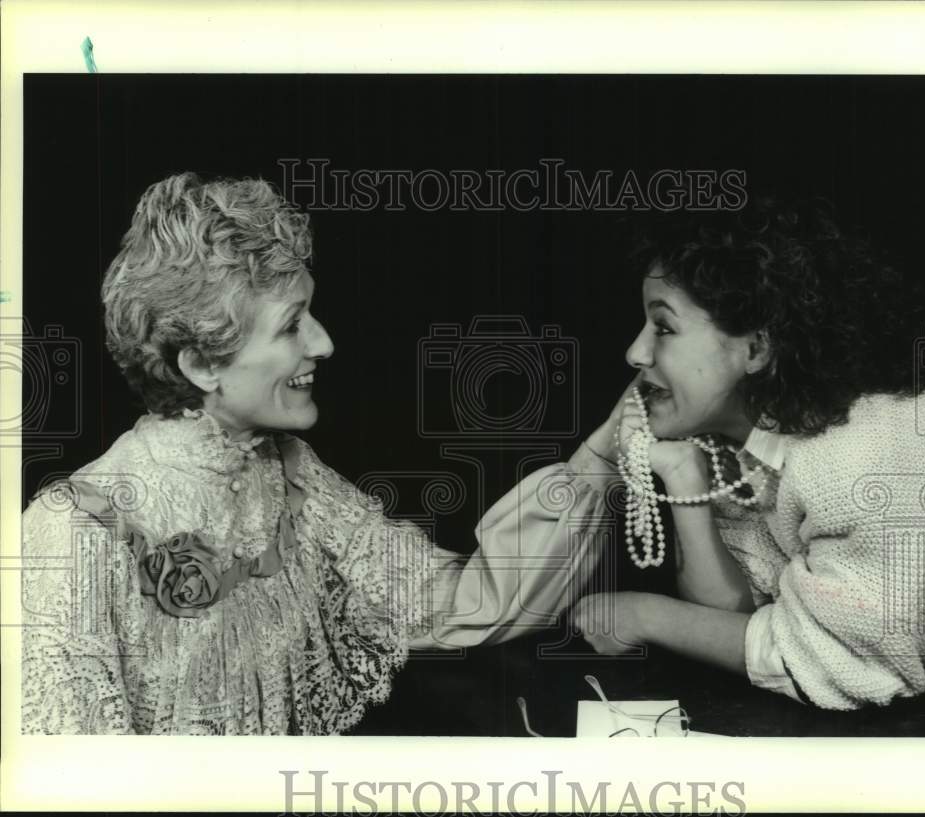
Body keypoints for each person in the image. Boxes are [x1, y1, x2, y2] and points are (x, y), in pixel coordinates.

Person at [20, 172, 617, 735]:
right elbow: (64, 778)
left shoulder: (291, 475)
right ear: (202, 365)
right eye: (291, 326)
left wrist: (603, 453)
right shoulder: (74, 531)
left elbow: (466, 604)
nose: (324, 342)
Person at [571, 197, 925, 710]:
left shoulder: (860, 458)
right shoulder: (743, 439)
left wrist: (644, 617)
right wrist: (687, 482)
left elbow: (830, 663)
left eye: (664, 328)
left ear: (757, 349)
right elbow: (740, 617)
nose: (635, 353)